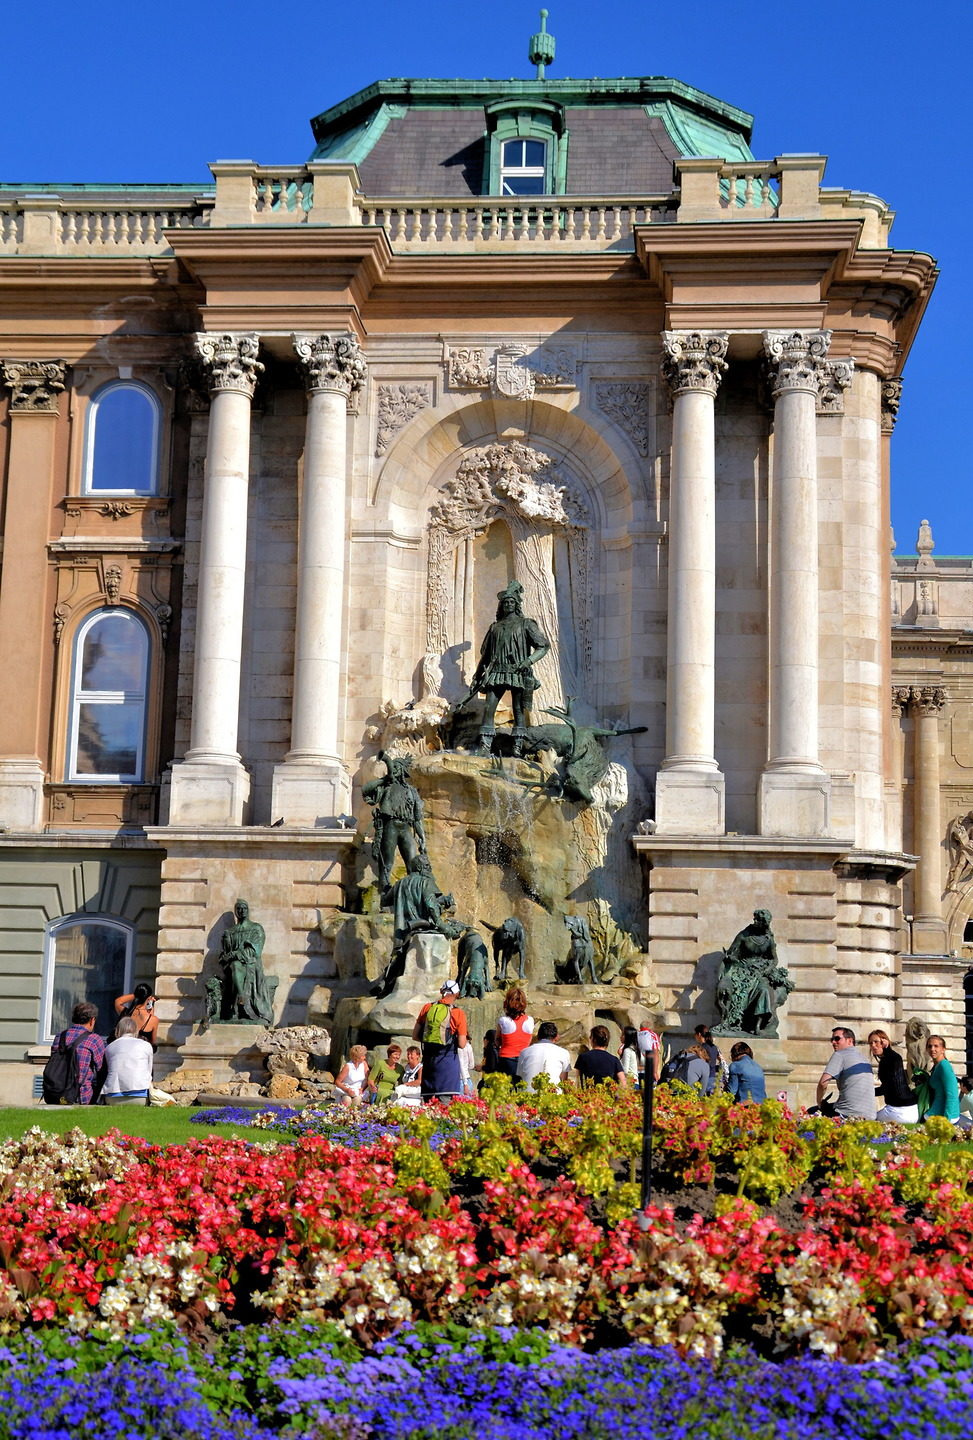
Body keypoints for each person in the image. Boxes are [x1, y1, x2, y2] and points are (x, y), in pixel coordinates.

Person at [462, 580, 550, 755]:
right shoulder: (495, 628)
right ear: (501, 606)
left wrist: (528, 662)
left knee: (518, 709)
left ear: (517, 604)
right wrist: (476, 676)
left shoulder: (526, 624)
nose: (509, 604)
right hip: (496, 672)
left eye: (512, 602)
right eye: (506, 602)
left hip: (518, 672)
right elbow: (486, 656)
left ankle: (518, 745)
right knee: (489, 708)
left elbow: (543, 646)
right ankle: (485, 745)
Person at [413, 980, 468, 1101]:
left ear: (441, 991)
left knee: (428, 1105)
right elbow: (462, 1044)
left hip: (429, 1062)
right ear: (456, 994)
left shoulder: (427, 1007)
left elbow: (415, 1036)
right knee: (444, 1105)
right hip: (447, 1063)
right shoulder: (458, 1013)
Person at [49, 1001, 107, 1106]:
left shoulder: (60, 1036)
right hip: (81, 1096)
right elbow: (102, 1069)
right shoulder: (94, 1039)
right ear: (92, 1020)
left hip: (55, 1093)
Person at [816, 1027, 876, 1120]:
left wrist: (819, 1103)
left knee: (811, 1113)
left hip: (847, 1115)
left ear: (850, 1041)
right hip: (870, 1116)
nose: (833, 1042)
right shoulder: (865, 1059)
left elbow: (823, 1083)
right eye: (832, 1039)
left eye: (837, 1039)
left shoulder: (840, 1054)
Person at [868, 1029, 919, 1124]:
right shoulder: (887, 1059)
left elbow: (888, 1087)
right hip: (908, 1109)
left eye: (876, 1042)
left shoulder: (892, 1058)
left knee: (868, 1121)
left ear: (884, 1041)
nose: (873, 1046)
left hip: (900, 1110)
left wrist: (866, 1093)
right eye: (871, 1043)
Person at [101, 1016, 154, 1106]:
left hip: (113, 1096)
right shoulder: (146, 1045)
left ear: (117, 1031)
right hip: (140, 1096)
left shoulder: (109, 1047)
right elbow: (149, 1071)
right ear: (136, 1030)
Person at [517, 1021, 572, 1089]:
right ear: (557, 1037)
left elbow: (521, 1076)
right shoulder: (563, 1053)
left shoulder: (524, 1052)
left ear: (537, 1036)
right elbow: (564, 1081)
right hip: (554, 1095)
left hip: (528, 1096)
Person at [495, 987, 535, 1079]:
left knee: (506, 1089)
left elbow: (497, 1041)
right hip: (524, 1059)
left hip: (506, 1059)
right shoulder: (530, 1020)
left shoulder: (503, 1021)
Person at [925, 1034, 961, 1123]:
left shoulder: (944, 1066)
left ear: (943, 1049)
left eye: (936, 1046)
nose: (932, 1049)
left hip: (945, 1118)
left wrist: (946, 1120)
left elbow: (952, 1094)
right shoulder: (937, 1066)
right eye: (930, 1046)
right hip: (936, 1114)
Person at [113, 983, 159, 1049]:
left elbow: (118, 1001)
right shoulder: (153, 1019)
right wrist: (151, 1009)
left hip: (122, 1051)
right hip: (139, 1056)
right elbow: (153, 1043)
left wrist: (136, 995)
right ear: (149, 998)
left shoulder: (126, 1013)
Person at [334, 1044, 370, 1108]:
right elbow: (337, 1082)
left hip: (358, 1091)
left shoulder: (364, 1064)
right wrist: (347, 1090)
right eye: (363, 1056)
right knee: (347, 1100)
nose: (365, 1057)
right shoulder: (348, 1066)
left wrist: (362, 1088)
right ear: (357, 1057)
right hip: (346, 1090)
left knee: (357, 1101)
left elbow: (368, 1078)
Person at [694, 1024, 721, 1095]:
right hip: (713, 1077)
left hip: (704, 1078)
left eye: (695, 1034)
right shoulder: (714, 1047)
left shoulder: (702, 1048)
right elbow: (721, 1058)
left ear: (699, 1034)